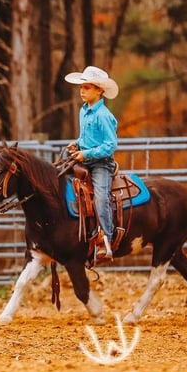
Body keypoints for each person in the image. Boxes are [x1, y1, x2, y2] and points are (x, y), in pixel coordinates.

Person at [64, 65, 119, 262]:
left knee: (101, 197)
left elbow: (110, 145)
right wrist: (77, 143)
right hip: (85, 159)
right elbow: (86, 137)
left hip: (101, 164)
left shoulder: (103, 115)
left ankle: (106, 240)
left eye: (86, 87)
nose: (82, 91)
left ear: (99, 90)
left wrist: (85, 154)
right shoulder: (84, 111)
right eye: (81, 87)